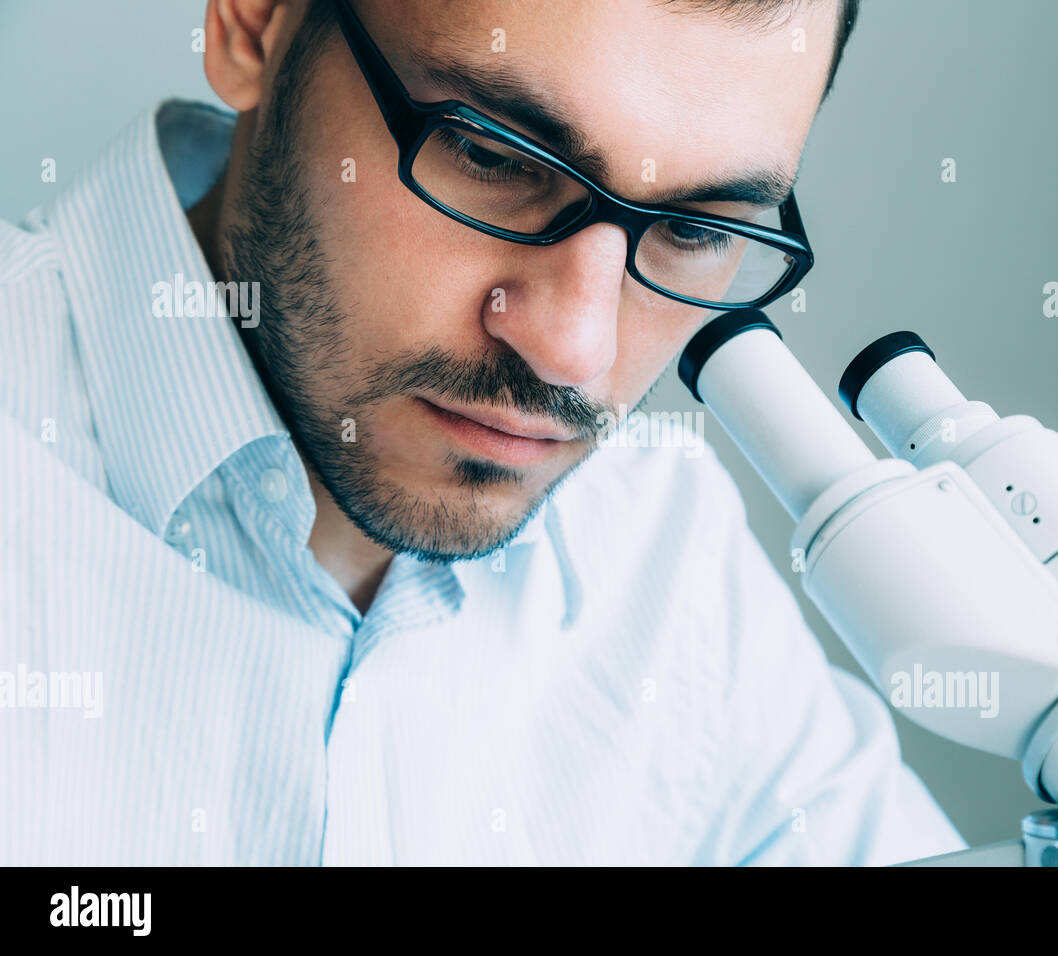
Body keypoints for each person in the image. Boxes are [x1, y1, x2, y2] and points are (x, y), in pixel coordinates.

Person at [0, 0, 965, 865]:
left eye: (698, 229)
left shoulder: (664, 555)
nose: (571, 350)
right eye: (493, 154)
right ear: (255, 22)